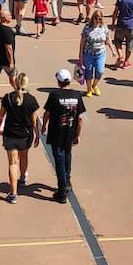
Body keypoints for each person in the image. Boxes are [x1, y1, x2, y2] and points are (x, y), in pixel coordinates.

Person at [41, 68, 86, 203]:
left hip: (56, 132)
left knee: (59, 159)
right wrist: (78, 134)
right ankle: (67, 180)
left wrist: (43, 125)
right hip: (70, 132)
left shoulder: (54, 95)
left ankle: (62, 191)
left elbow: (47, 113)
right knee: (67, 155)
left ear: (59, 81)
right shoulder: (77, 95)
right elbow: (80, 118)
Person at [0, 73, 40, 202]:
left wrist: (0, 123)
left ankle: (13, 193)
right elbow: (34, 121)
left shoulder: (8, 97)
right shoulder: (32, 100)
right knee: (24, 156)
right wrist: (37, 134)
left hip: (10, 133)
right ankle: (22, 178)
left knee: (12, 163)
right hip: (25, 135)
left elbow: (1, 115)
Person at [79, 9, 109, 98]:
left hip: (100, 53)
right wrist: (80, 54)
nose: (98, 21)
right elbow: (83, 40)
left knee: (100, 71)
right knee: (88, 71)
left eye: (100, 19)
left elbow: (107, 39)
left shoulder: (104, 27)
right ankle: (89, 89)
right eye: (96, 19)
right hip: (88, 53)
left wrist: (113, 50)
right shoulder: (88, 26)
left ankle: (94, 85)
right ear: (93, 18)